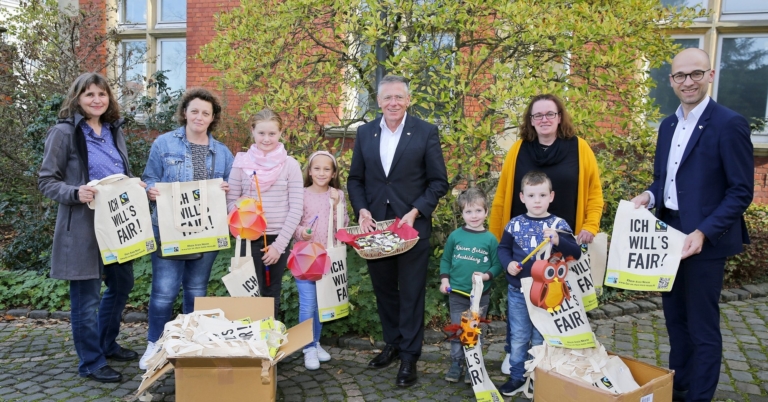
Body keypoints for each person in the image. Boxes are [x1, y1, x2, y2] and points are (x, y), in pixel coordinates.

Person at [631, 48, 753, 402]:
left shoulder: (729, 123)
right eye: (680, 76)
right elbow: (662, 180)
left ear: (710, 75)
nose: (688, 82)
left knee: (701, 326)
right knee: (675, 321)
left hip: (706, 240)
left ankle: (699, 396)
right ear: (671, 81)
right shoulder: (668, 125)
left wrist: (704, 232)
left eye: (695, 74)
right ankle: (678, 388)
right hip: (667, 233)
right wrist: (647, 198)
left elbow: (740, 191)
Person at [488, 93, 603, 375]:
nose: (544, 120)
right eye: (537, 115)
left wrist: (590, 226)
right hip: (523, 244)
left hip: (562, 245)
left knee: (557, 299)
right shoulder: (518, 149)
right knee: (521, 300)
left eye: (549, 114)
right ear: (530, 120)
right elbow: (503, 196)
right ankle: (516, 353)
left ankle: (552, 357)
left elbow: (594, 193)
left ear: (560, 116)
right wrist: (494, 238)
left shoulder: (580, 148)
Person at [39, 72, 142, 382]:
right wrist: (75, 192)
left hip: (116, 224)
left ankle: (106, 343)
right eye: (89, 95)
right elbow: (46, 180)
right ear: (77, 99)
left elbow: (117, 173)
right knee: (86, 299)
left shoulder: (113, 130)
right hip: (82, 229)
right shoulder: (64, 133)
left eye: (102, 94)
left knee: (122, 284)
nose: (97, 99)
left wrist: (135, 186)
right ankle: (91, 363)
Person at [347, 74, 449, 387]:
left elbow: (438, 182)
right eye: (387, 97)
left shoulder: (425, 132)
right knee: (384, 291)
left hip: (411, 228)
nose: (393, 103)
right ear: (378, 102)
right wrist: (362, 209)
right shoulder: (365, 133)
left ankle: (409, 357)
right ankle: (392, 343)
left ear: (408, 100)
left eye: (399, 97)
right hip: (376, 229)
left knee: (412, 293)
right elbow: (355, 180)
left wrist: (416, 210)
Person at [139, 88, 234, 370]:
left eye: (206, 113)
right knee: (164, 292)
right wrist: (151, 191)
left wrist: (227, 190)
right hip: (169, 230)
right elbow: (148, 179)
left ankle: (190, 342)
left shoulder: (223, 153)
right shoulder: (164, 144)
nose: (199, 117)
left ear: (213, 117)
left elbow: (231, 189)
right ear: (184, 113)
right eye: (194, 111)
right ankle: (154, 343)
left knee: (196, 290)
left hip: (206, 231)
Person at [496, 171, 582, 396]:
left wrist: (558, 239)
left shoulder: (558, 224)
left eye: (542, 195)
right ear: (522, 197)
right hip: (518, 292)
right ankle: (516, 377)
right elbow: (503, 249)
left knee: (541, 336)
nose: (537, 200)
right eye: (531, 195)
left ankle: (538, 377)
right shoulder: (514, 224)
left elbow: (576, 253)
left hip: (548, 294)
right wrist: (508, 265)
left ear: (551, 196)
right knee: (519, 336)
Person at [227, 108, 303, 319]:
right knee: (250, 292)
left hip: (277, 238)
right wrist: (244, 210)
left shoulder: (290, 165)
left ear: (280, 133)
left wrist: (279, 247)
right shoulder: (241, 163)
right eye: (261, 133)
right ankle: (251, 340)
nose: (266, 139)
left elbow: (296, 207)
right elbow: (230, 202)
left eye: (272, 133)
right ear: (252, 131)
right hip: (248, 238)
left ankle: (270, 340)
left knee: (271, 292)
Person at [438, 187, 503, 383]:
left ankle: (472, 365)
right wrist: (444, 280)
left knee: (473, 331)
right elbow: (446, 260)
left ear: (486, 212)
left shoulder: (490, 239)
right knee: (459, 330)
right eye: (468, 211)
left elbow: (498, 264)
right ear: (462, 213)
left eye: (478, 211)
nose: (473, 216)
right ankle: (456, 363)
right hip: (457, 293)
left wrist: (485, 276)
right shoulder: (456, 236)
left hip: (479, 295)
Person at [292, 151, 349, 370]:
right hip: (305, 258)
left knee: (321, 304)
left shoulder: (338, 195)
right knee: (308, 304)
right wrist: (300, 233)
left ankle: (315, 342)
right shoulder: (302, 194)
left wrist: (336, 206)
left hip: (327, 259)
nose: (321, 173)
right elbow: (293, 222)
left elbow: (341, 228)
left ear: (333, 173)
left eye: (327, 169)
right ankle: (307, 347)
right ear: (309, 171)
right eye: (317, 168)